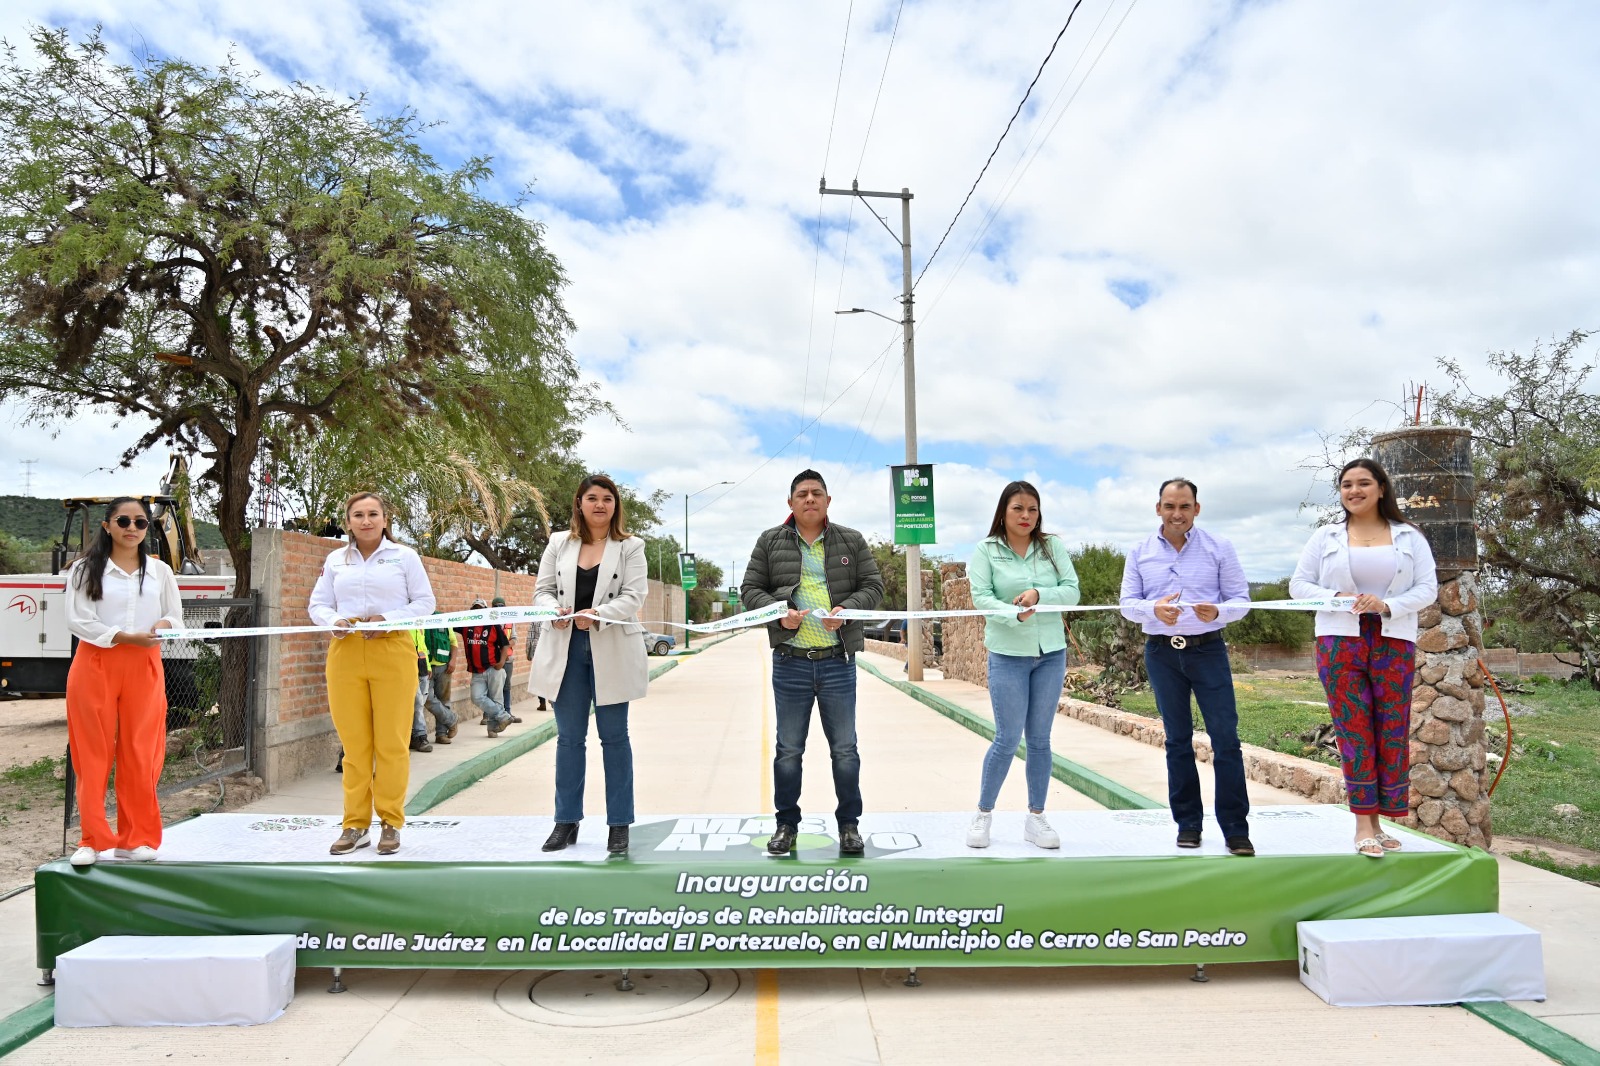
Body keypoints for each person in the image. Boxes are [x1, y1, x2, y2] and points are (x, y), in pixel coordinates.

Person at [1291, 458, 1437, 858]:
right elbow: (1299, 585)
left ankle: (1383, 819)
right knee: (1354, 728)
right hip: (1340, 641)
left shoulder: (1409, 536)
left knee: (1391, 728)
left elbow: (1428, 589)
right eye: (1346, 485)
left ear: (1381, 489)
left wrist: (1387, 604)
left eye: (1363, 483)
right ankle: (1362, 825)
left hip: (1393, 640)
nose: (1353, 491)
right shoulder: (1326, 537)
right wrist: (1337, 599)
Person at [741, 469, 884, 857]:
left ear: (827, 501)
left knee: (845, 749)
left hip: (837, 661)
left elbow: (873, 586)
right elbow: (749, 590)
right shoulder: (770, 541)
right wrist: (779, 612)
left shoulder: (850, 541)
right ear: (790, 503)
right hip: (790, 664)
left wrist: (849, 610)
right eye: (801, 494)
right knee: (789, 749)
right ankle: (786, 825)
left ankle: (849, 826)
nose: (809, 499)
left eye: (816, 493)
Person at [1119, 478, 1255, 856]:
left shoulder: (1219, 548)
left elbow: (1240, 600)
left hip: (1208, 651)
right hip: (1161, 654)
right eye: (1169, 506)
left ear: (1197, 508)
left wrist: (1220, 612)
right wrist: (1153, 610)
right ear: (1158, 508)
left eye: (1184, 506)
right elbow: (1128, 603)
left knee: (1226, 740)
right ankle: (1188, 825)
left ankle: (1235, 830)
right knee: (1177, 741)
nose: (1176, 514)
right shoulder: (1139, 551)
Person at [308, 491, 436, 856]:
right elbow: (318, 604)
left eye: (373, 514)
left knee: (392, 744)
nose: (366, 521)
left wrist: (388, 620)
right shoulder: (335, 560)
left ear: (385, 520)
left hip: (392, 648)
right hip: (346, 651)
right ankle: (354, 825)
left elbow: (425, 602)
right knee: (354, 747)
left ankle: (391, 822)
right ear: (348, 521)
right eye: (358, 515)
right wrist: (335, 620)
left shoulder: (404, 556)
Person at [530, 474, 649, 854]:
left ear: (616, 505)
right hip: (565, 650)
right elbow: (542, 591)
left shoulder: (631, 546)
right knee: (569, 740)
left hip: (611, 647)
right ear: (579, 503)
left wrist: (599, 614)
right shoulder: (557, 543)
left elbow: (634, 595)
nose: (600, 504)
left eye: (607, 499)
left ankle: (619, 824)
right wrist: (554, 612)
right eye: (592, 498)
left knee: (615, 738)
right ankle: (566, 821)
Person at [62, 498, 184, 866]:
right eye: (124, 520)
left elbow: (173, 616)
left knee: (140, 751)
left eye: (141, 522)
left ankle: (136, 838)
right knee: (92, 753)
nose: (132, 527)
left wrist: (162, 627)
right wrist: (124, 637)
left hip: (144, 664)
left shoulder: (160, 571)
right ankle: (93, 839)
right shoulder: (85, 569)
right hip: (96, 661)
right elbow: (78, 618)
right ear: (107, 526)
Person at [965, 482, 1081, 849]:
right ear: (1003, 511)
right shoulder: (986, 550)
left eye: (1032, 509)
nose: (1026, 516)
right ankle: (983, 815)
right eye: (1018, 509)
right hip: (1007, 656)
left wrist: (1039, 594)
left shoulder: (1053, 547)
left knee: (1041, 740)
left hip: (1051, 654)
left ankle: (1037, 818)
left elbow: (1072, 590)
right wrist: (1014, 614)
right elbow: (981, 598)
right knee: (1006, 738)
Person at [457, 602, 513, 736]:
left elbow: (505, 645)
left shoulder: (493, 625)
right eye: (474, 609)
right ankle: (503, 716)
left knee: (496, 699)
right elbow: (447, 623)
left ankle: (492, 729)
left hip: (493, 668)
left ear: (485, 611)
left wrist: (501, 661)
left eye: (480, 609)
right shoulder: (465, 626)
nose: (477, 611)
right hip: (477, 671)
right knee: (476, 697)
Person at [420, 614, 460, 744]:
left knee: (444, 700)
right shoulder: (419, 619)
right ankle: (452, 720)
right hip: (426, 668)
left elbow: (453, 642)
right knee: (426, 698)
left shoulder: (442, 618)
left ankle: (441, 734)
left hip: (444, 666)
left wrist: (453, 660)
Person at [494, 596, 523, 725]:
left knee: (506, 687)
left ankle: (508, 713)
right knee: (493, 687)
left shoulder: (510, 621)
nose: (499, 609)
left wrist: (504, 645)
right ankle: (490, 715)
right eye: (497, 606)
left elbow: (515, 639)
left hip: (508, 659)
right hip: (494, 659)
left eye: (502, 606)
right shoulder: (490, 621)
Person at [408, 629, 435, 753]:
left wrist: (428, 666)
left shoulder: (419, 622)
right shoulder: (404, 619)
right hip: (408, 666)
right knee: (418, 703)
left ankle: (414, 737)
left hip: (422, 666)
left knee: (419, 704)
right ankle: (420, 736)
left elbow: (422, 644)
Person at [524, 613, 550, 713]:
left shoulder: (535, 619)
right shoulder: (551, 618)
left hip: (538, 651)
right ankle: (552, 698)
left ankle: (542, 702)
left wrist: (528, 652)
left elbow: (530, 637)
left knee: (540, 677)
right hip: (549, 650)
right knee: (549, 675)